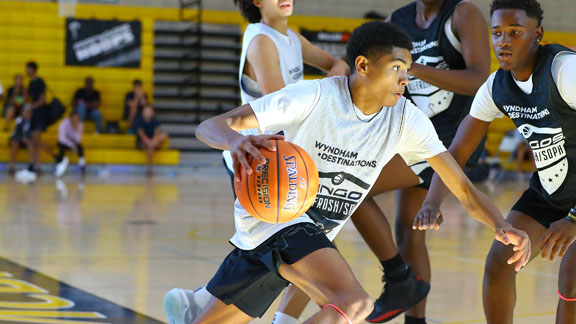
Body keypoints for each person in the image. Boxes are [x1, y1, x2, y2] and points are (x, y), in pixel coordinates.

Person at [167, 21, 530, 324]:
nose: (406, 79)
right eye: (397, 68)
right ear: (363, 65)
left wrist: (501, 225)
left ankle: (195, 305)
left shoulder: (406, 118)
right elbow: (211, 125)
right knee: (354, 304)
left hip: (293, 238)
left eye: (408, 69)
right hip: (277, 220)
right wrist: (232, 140)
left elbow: (463, 189)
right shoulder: (314, 96)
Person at [413, 1, 576, 323]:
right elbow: (455, 153)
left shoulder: (565, 71)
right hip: (550, 190)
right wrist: (432, 201)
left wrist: (573, 217)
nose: (504, 41)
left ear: (537, 34)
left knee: (571, 281)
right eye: (497, 33)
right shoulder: (496, 86)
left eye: (515, 32)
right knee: (500, 262)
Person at [133, 105, 168, 175]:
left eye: (149, 111)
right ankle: (149, 169)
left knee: (164, 135)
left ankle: (152, 145)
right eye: (146, 110)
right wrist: (149, 142)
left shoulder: (154, 121)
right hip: (142, 142)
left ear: (152, 112)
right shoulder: (138, 120)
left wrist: (152, 142)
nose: (148, 112)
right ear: (143, 112)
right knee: (150, 147)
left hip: (153, 141)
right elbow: (141, 135)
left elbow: (156, 133)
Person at [54, 110, 85, 177]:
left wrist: (75, 129)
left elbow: (78, 139)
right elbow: (61, 138)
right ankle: (60, 165)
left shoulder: (80, 125)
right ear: (70, 118)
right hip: (64, 142)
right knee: (61, 148)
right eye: (74, 119)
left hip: (73, 142)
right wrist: (72, 146)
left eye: (77, 119)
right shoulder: (63, 123)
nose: (75, 121)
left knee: (80, 147)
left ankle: (82, 165)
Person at [8, 107, 33, 176]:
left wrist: (26, 138)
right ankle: (12, 166)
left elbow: (30, 132)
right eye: (25, 112)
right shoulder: (18, 120)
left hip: (26, 139)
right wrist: (21, 138)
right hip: (18, 138)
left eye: (28, 112)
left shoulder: (30, 121)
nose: (26, 113)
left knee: (31, 144)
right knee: (14, 144)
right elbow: (16, 132)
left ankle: (31, 166)